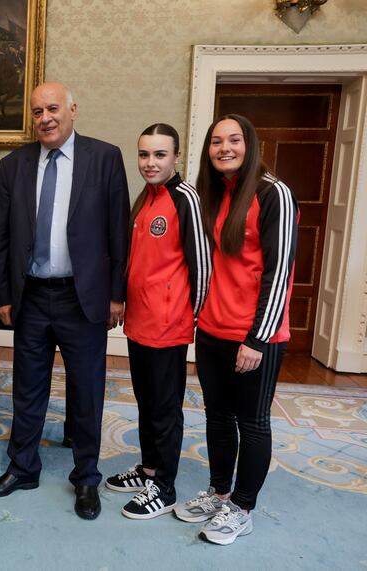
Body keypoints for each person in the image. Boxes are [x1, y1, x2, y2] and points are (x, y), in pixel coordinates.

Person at [0, 82, 129, 520]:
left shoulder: (104, 157)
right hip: (30, 295)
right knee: (27, 389)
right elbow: (3, 236)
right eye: (37, 111)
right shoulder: (13, 165)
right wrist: (4, 294)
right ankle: (23, 468)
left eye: (52, 109)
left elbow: (119, 231)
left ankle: (86, 478)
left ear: (72, 110)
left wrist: (116, 295)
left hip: (82, 298)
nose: (45, 118)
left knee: (86, 392)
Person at [174, 114, 298, 545]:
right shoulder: (215, 193)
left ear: (250, 144)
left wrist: (257, 338)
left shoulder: (274, 193)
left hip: (255, 337)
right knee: (218, 417)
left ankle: (242, 507)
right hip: (212, 329)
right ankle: (220, 491)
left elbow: (279, 272)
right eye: (216, 141)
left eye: (234, 140)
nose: (224, 148)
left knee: (253, 422)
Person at [103, 124, 211, 519]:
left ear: (176, 157)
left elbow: (202, 265)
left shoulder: (186, 198)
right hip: (140, 323)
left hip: (169, 326)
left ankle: (164, 487)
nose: (150, 162)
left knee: (165, 409)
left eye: (160, 155)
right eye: (144, 154)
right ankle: (148, 469)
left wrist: (194, 319)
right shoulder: (145, 197)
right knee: (146, 402)